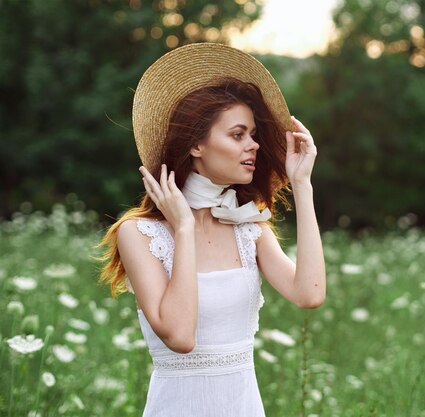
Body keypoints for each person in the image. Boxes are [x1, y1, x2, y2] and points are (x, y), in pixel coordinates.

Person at [98, 43, 326, 416]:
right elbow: (181, 337)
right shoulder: (138, 234)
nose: (253, 145)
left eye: (252, 134)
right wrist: (184, 229)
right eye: (238, 134)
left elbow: (310, 294)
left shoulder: (247, 226)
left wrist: (302, 185)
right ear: (197, 145)